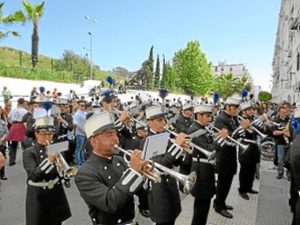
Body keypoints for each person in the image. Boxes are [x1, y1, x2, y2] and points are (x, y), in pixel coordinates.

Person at [75, 111, 148, 225]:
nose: (116, 139)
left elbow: (141, 194)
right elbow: (111, 203)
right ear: (94, 142)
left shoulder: (120, 160)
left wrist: (144, 176)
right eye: (109, 135)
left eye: (115, 133)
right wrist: (133, 172)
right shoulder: (85, 173)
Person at [23, 115, 71, 225]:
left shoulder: (56, 148)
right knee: (38, 221)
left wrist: (63, 171)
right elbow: (33, 175)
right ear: (36, 133)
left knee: (56, 221)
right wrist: (49, 161)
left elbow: (63, 174)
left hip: (55, 192)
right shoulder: (29, 152)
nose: (47, 137)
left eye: (50, 134)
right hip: (37, 194)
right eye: (43, 134)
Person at [143, 105, 187, 225]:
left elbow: (175, 162)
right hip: (158, 188)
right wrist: (176, 147)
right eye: (159, 120)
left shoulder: (165, 136)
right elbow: (159, 164)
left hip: (171, 184)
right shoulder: (147, 140)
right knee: (163, 220)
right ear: (149, 122)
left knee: (172, 218)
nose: (164, 123)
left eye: (164, 119)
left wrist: (182, 150)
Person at [188, 104, 228, 225]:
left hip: (206, 169)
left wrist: (216, 137)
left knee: (204, 205)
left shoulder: (201, 128)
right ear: (199, 116)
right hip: (201, 171)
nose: (210, 119)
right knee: (201, 207)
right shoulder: (194, 130)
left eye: (210, 116)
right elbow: (209, 150)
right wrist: (220, 139)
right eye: (207, 116)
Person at [213, 96, 250, 219]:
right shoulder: (221, 119)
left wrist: (241, 129)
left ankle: (222, 202)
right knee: (223, 182)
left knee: (227, 181)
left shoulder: (232, 118)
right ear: (228, 107)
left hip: (231, 153)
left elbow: (235, 136)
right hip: (223, 155)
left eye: (237, 107)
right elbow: (228, 137)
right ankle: (218, 206)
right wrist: (241, 128)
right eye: (235, 107)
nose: (237, 110)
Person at [237, 102, 260, 200]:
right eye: (249, 110)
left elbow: (258, 130)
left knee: (252, 169)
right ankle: (242, 189)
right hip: (246, 145)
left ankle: (249, 187)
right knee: (245, 170)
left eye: (252, 109)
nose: (252, 111)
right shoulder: (241, 120)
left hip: (254, 145)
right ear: (244, 111)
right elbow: (244, 132)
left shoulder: (252, 119)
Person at [272, 105, 291, 179]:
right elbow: (274, 132)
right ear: (279, 112)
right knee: (280, 160)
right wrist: (283, 132)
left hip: (289, 143)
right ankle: (280, 173)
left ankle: (289, 174)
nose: (284, 114)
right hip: (280, 143)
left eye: (286, 112)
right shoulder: (276, 120)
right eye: (283, 112)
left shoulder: (289, 119)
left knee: (289, 160)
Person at [7, 98, 28, 166]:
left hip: (14, 126)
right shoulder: (25, 111)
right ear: (23, 103)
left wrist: (12, 123)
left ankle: (11, 160)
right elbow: (27, 120)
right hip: (21, 126)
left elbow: (8, 118)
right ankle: (27, 159)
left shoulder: (13, 110)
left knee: (13, 144)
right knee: (25, 144)